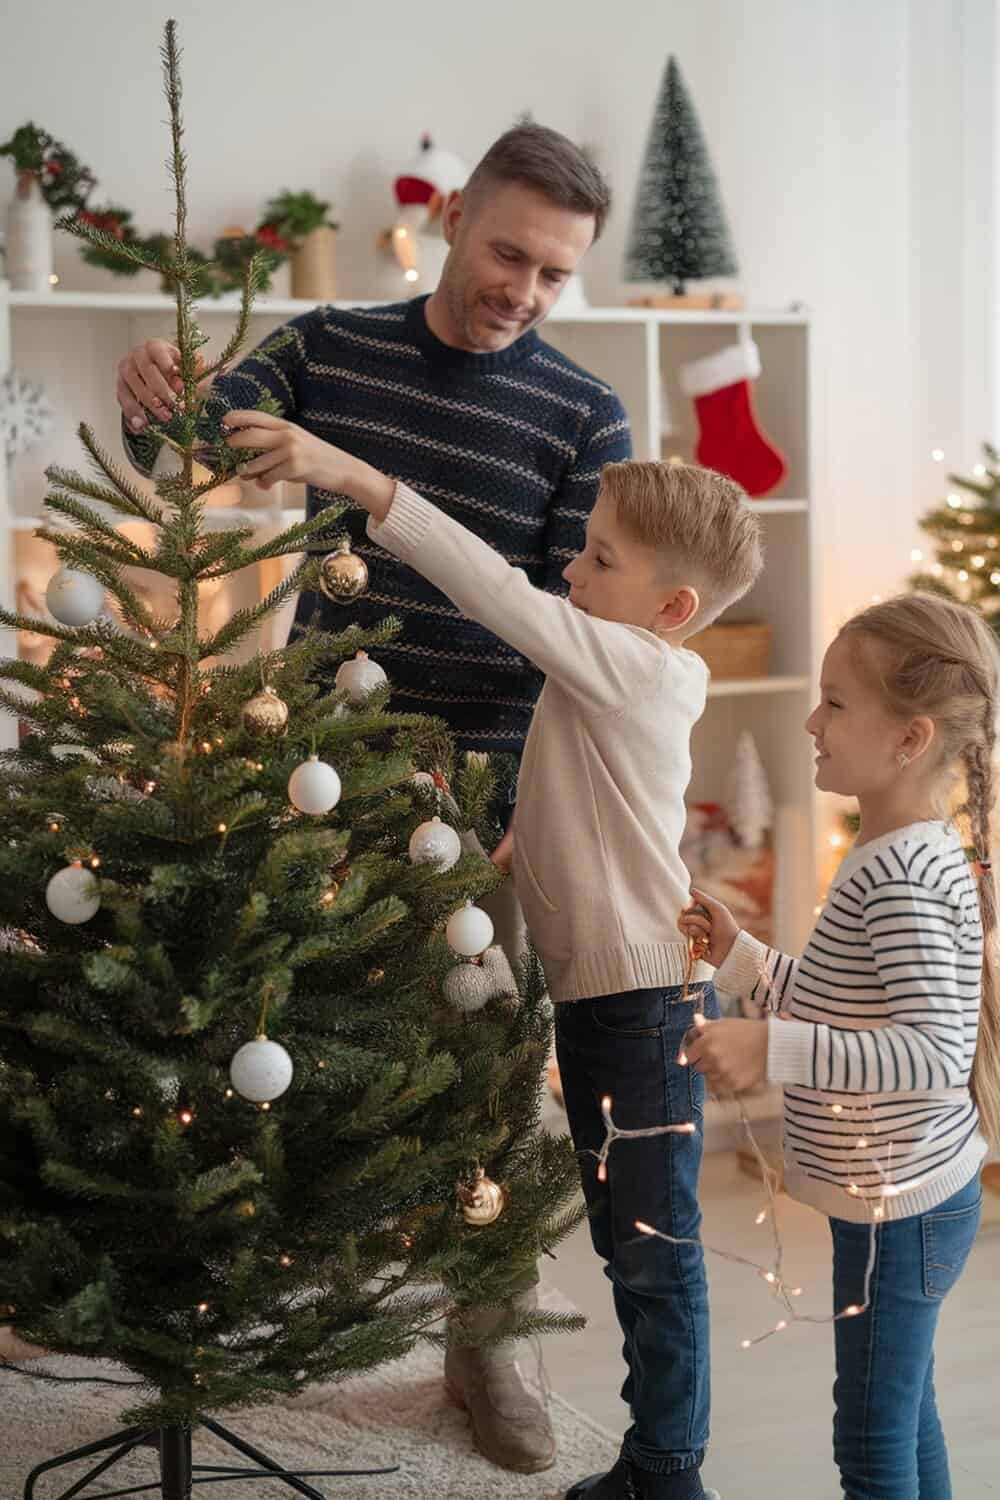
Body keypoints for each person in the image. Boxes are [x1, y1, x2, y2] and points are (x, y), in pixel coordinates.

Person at [115, 123, 632, 1475]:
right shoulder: (332, 345)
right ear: (454, 217)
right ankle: (229, 1318)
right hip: (317, 760)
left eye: (555, 272)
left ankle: (488, 1342)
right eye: (509, 250)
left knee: (486, 1083)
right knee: (256, 1034)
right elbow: (194, 447)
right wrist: (152, 398)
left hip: (488, 786)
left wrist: (534, 801)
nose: (523, 286)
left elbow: (569, 634)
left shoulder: (587, 417)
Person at [214, 415, 764, 1500]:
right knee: (626, 1245)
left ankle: (669, 1473)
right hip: (614, 1001)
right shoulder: (623, 666)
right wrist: (520, 847)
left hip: (644, 1008)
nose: (572, 565)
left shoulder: (641, 667)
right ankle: (658, 1460)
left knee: (655, 1257)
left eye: (600, 557)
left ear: (674, 609)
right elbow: (592, 797)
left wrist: (365, 481)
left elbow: (495, 592)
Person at [679, 593, 1000, 1500]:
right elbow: (843, 1006)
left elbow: (928, 1057)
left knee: (870, 1444)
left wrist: (771, 1049)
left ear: (911, 739)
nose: (811, 721)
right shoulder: (898, 849)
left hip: (899, 1210)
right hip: (904, 1202)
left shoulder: (899, 872)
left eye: (835, 703)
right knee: (903, 1418)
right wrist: (742, 958)